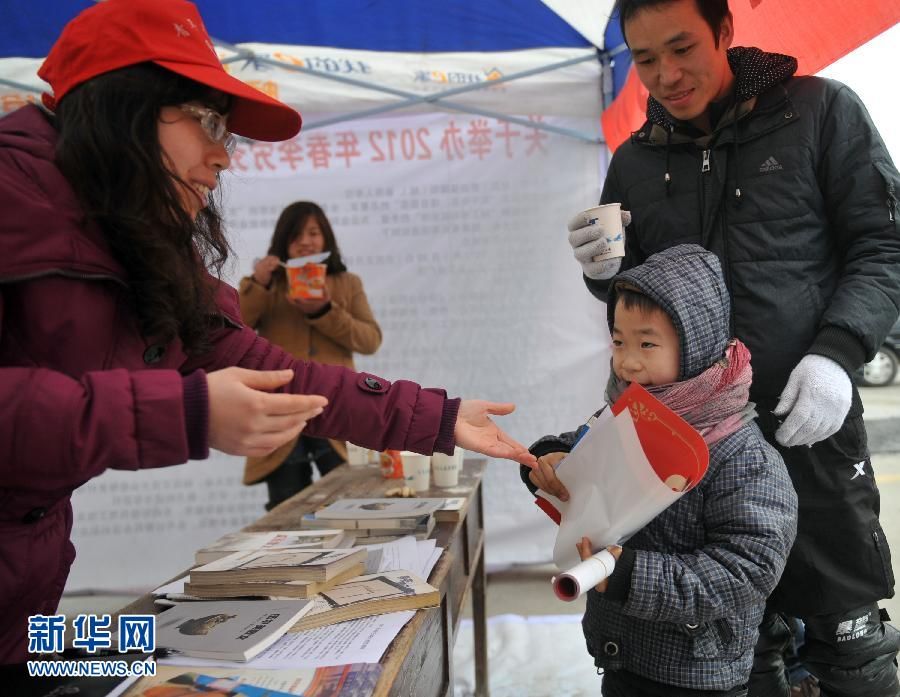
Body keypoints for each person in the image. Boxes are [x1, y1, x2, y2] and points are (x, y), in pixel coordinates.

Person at [0, 0, 536, 667]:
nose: (223, 156)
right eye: (204, 121)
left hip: (28, 591)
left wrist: (440, 416)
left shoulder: (138, 235)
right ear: (122, 107)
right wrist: (186, 412)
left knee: (111, 664)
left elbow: (277, 371)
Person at [566, 1, 900, 694]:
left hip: (810, 429)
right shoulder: (635, 160)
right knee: (730, 658)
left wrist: (839, 351)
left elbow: (885, 243)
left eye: (682, 47)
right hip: (693, 455)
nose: (667, 74)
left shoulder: (820, 114)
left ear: (724, 31)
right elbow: (639, 306)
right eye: (646, 58)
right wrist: (605, 274)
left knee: (851, 652)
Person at [521, 244, 798, 696]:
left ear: (696, 346)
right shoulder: (627, 414)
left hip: (697, 671)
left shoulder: (744, 457)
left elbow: (748, 570)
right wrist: (552, 458)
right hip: (620, 652)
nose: (627, 361)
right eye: (618, 341)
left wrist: (630, 574)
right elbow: (584, 446)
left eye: (647, 343)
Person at [239, 202, 382, 509]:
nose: (305, 241)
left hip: (336, 404)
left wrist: (326, 311)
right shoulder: (266, 285)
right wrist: (259, 284)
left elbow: (370, 340)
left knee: (351, 499)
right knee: (287, 507)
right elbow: (237, 327)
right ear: (282, 243)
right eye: (295, 235)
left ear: (326, 238)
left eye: (314, 233)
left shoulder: (347, 283)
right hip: (281, 408)